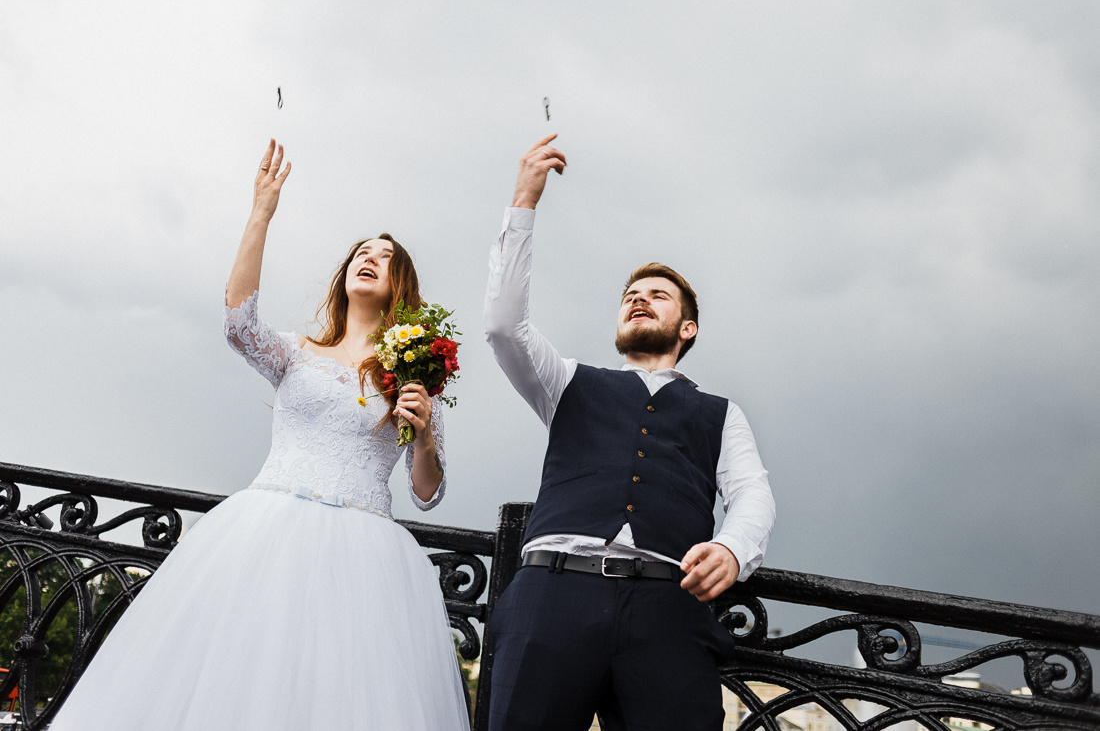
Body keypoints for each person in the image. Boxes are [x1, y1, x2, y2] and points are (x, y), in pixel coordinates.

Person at [48, 140, 471, 731]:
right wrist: (261, 213)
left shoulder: (414, 375)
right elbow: (237, 323)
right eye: (360, 254)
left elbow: (427, 493)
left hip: (365, 560)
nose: (368, 259)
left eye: (384, 256)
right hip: (266, 535)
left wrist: (423, 434)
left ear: (402, 283)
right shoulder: (298, 355)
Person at [484, 134, 776, 731]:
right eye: (629, 296)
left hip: (665, 609)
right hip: (551, 596)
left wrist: (732, 549)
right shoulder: (565, 381)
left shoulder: (722, 413)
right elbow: (503, 328)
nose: (638, 299)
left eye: (657, 296)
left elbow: (752, 493)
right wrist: (523, 203)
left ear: (687, 326)